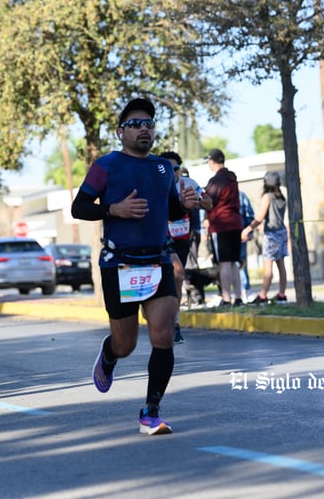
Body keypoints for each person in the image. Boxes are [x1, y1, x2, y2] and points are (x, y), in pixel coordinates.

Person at [71, 98, 201, 435]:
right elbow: (79, 207)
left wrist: (184, 204)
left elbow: (172, 211)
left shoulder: (161, 168)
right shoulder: (106, 165)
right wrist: (113, 210)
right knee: (126, 344)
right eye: (136, 124)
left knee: (162, 336)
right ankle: (110, 353)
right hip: (120, 264)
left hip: (158, 260)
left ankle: (151, 411)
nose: (145, 128)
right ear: (120, 132)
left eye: (149, 123)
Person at [159, 150, 204, 344]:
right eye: (167, 167)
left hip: (183, 240)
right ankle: (163, 318)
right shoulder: (156, 184)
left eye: (175, 167)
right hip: (161, 240)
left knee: (177, 277)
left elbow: (209, 203)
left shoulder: (189, 184)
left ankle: (174, 322)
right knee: (175, 274)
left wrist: (196, 199)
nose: (172, 171)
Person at [242, 171, 289, 304]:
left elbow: (260, 217)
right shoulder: (281, 196)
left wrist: (247, 229)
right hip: (281, 232)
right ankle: (282, 295)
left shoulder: (267, 197)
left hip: (272, 234)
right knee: (281, 265)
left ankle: (262, 296)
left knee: (268, 267)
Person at [203, 148, 243, 306]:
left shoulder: (217, 180)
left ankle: (226, 298)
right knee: (234, 262)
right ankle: (238, 297)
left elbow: (208, 201)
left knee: (224, 263)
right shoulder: (232, 178)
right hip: (236, 222)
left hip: (221, 224)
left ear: (212, 161)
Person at [239, 190, 255, 303]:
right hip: (234, 233)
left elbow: (249, 214)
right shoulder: (241, 195)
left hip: (240, 234)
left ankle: (245, 290)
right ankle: (240, 291)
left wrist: (249, 231)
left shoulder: (241, 195)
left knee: (241, 263)